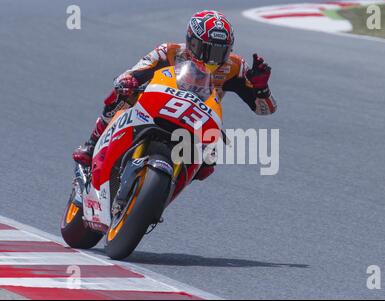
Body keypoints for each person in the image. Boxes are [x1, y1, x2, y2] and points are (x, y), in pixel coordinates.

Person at [73, 10, 277, 180]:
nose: (211, 58)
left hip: (196, 120)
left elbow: (265, 110)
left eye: (219, 52)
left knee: (207, 165)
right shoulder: (168, 52)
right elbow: (129, 74)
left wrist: (261, 88)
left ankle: (162, 191)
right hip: (155, 105)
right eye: (205, 50)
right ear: (191, 42)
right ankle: (92, 144)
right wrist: (128, 81)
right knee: (119, 96)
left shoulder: (234, 67)